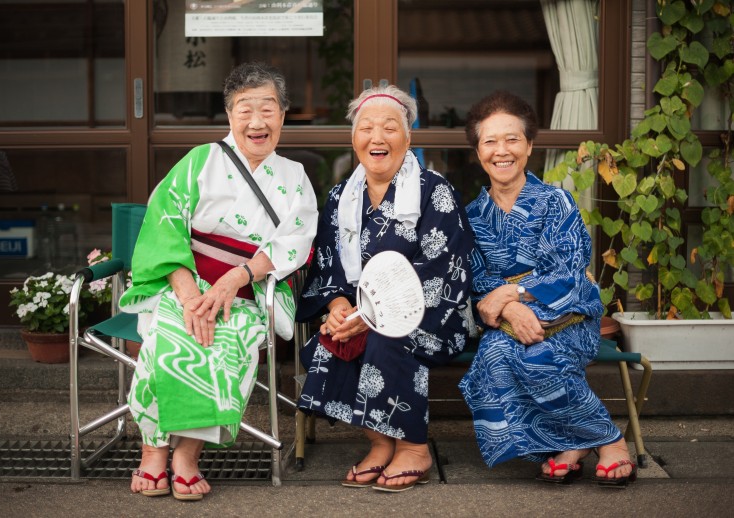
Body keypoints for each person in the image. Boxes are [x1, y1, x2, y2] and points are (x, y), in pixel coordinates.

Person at [120, 62, 318, 500]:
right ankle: (153, 450)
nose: (256, 121)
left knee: (226, 345)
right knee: (167, 337)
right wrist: (189, 293)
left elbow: (297, 239)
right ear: (229, 116)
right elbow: (163, 223)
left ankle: (187, 454)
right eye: (245, 109)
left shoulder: (294, 177)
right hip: (182, 282)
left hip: (247, 289)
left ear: (283, 116)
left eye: (268, 109)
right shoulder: (199, 162)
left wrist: (237, 277)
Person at [296, 85, 474, 493]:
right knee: (333, 335)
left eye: (390, 128)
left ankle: (413, 447)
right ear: (354, 139)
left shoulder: (435, 192)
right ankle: (379, 442)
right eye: (367, 128)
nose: (378, 138)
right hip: (363, 311)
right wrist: (339, 305)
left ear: (408, 137)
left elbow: (441, 271)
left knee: (386, 336)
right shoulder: (341, 197)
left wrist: (371, 316)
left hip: (432, 313)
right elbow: (328, 263)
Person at [458, 90, 637, 487]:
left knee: (533, 355)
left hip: (570, 316)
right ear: (478, 151)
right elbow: (478, 281)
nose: (501, 151)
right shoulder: (471, 216)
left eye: (512, 139)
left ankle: (610, 441)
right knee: (499, 355)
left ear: (529, 146)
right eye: (489, 141)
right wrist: (508, 308)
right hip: (508, 320)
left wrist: (513, 295)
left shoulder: (555, 201)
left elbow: (568, 269)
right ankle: (578, 442)